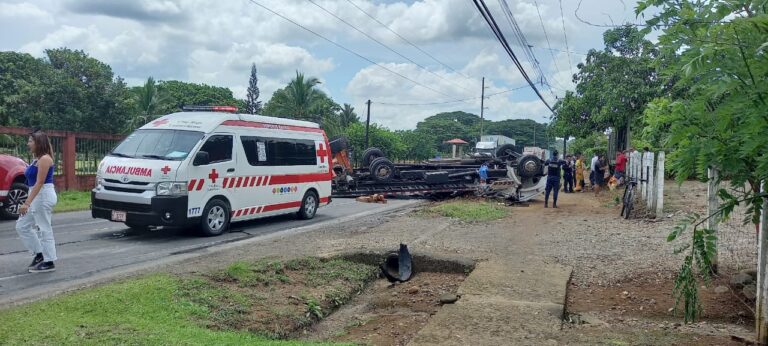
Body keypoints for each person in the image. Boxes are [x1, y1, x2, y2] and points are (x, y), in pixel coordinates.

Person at [16, 130, 59, 273]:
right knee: (22, 226)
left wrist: (27, 203)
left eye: (30, 141)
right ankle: (39, 254)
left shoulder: (45, 159)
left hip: (43, 195)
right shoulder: (37, 159)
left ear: (38, 142)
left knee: (43, 228)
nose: (28, 143)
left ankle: (49, 261)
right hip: (36, 195)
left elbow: (39, 183)